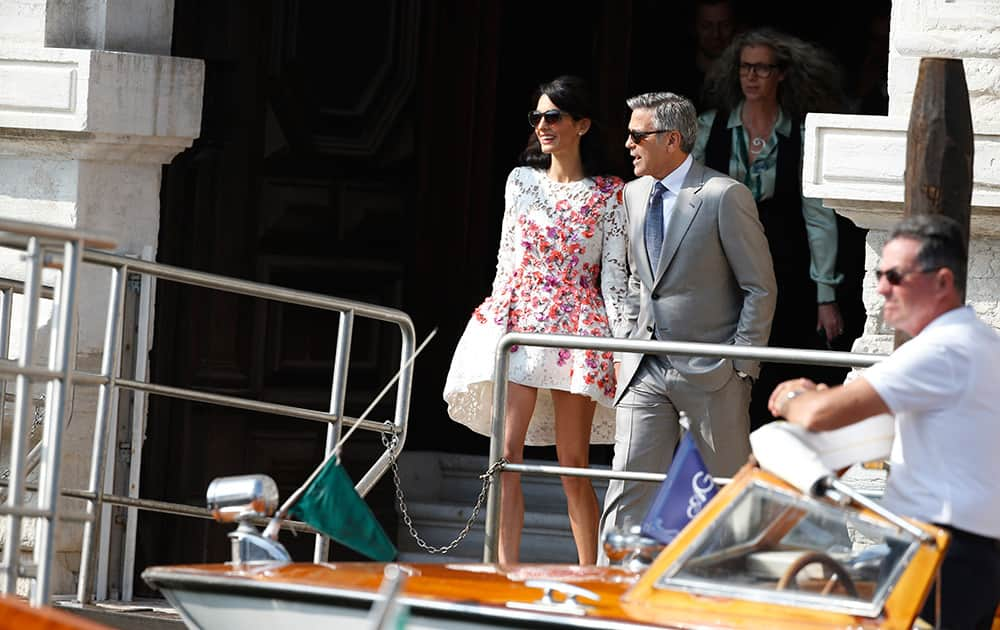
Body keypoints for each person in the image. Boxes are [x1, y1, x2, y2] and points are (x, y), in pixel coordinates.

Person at [769, 214, 1000, 629]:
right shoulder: (981, 342)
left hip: (941, 553)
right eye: (879, 275)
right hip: (969, 553)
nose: (880, 288)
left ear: (942, 282)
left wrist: (791, 396)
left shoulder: (939, 351)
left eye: (895, 276)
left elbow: (820, 416)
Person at [444, 76, 627, 565]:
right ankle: (504, 569)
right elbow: (507, 260)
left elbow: (612, 279)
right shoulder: (520, 182)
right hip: (521, 323)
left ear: (582, 125)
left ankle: (591, 573)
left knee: (574, 465)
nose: (543, 126)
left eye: (554, 117)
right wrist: (492, 318)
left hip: (580, 329)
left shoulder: (610, 193)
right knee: (505, 456)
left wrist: (623, 342)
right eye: (538, 118)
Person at [598, 91, 776, 556]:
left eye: (638, 135)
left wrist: (741, 366)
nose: (628, 144)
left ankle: (738, 602)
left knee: (730, 496)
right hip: (644, 368)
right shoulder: (632, 193)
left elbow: (760, 287)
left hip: (713, 370)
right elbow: (641, 280)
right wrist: (628, 344)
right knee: (627, 489)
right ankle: (610, 594)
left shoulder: (723, 195)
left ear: (672, 139)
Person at [694, 27, 865, 431]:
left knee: (776, 363)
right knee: (720, 364)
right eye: (745, 67)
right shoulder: (709, 128)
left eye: (762, 68)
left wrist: (826, 296)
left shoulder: (801, 136)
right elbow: (690, 202)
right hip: (721, 265)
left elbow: (819, 220)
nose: (752, 76)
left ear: (781, 74)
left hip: (785, 269)